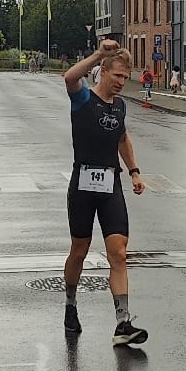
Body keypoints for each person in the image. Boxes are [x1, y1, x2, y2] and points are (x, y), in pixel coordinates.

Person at [61, 39, 148, 347]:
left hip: (111, 185)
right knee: (80, 251)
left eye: (127, 78)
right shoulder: (83, 99)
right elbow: (70, 78)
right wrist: (98, 53)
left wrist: (134, 170)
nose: (123, 83)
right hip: (83, 186)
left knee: (119, 252)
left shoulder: (121, 106)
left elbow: (122, 138)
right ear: (103, 72)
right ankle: (71, 305)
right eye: (118, 76)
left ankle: (122, 322)